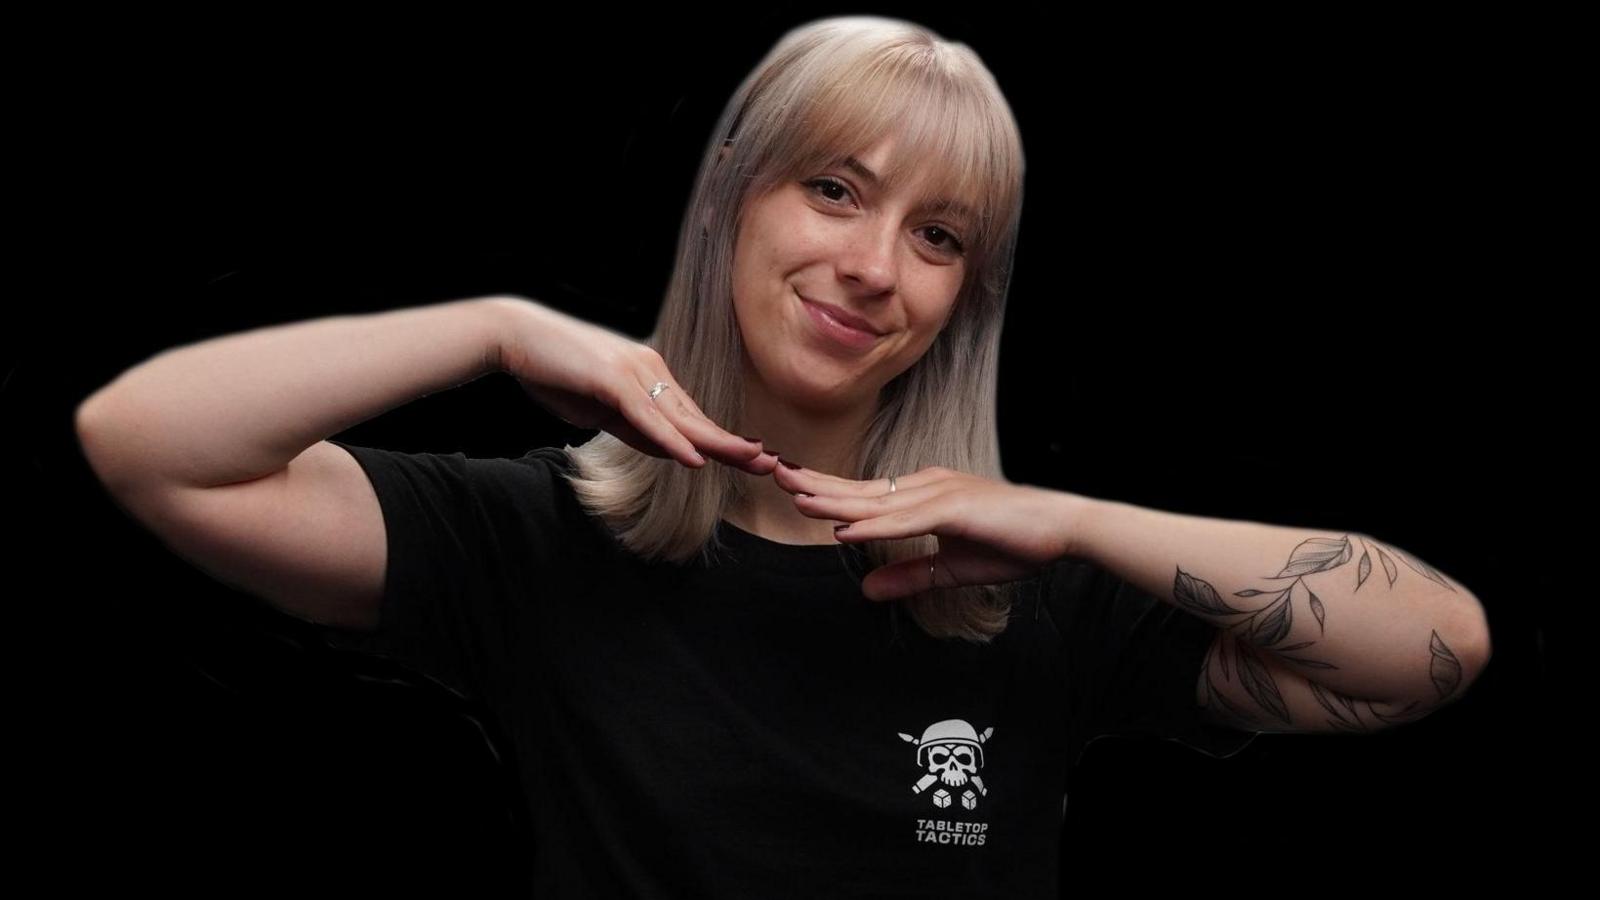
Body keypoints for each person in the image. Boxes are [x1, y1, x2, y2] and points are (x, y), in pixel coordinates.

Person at [75, 14, 1489, 898]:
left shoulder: (1028, 587)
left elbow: (1436, 645)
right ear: (725, 211)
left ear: (962, 305)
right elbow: (143, 441)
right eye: (834, 190)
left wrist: (1062, 519)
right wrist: (500, 331)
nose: (875, 268)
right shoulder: (539, 543)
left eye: (938, 238)